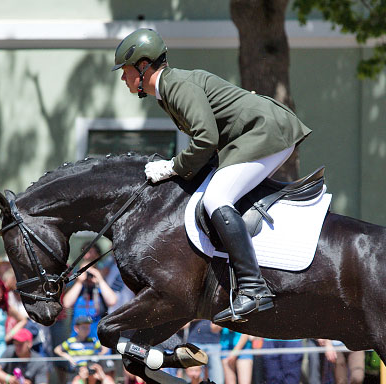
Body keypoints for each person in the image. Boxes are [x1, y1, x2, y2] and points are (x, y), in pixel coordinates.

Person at [113, 28, 311, 323]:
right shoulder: (168, 91)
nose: (122, 78)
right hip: (255, 134)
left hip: (266, 132)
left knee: (217, 197)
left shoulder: (176, 86)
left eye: (125, 70)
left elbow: (205, 139)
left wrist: (173, 166)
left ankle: (254, 289)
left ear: (143, 66)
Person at [61, 247, 117, 340]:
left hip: (98, 340)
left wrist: (100, 279)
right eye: (84, 271)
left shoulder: (100, 288)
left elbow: (112, 301)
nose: (88, 275)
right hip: (77, 341)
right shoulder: (78, 288)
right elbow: (66, 303)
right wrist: (79, 282)